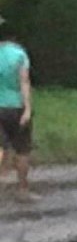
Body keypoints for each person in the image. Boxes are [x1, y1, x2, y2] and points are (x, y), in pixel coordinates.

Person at [0, 17, 36, 200]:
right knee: (22, 149)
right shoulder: (20, 55)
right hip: (16, 107)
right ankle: (22, 189)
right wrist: (27, 109)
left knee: (0, 147)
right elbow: (24, 82)